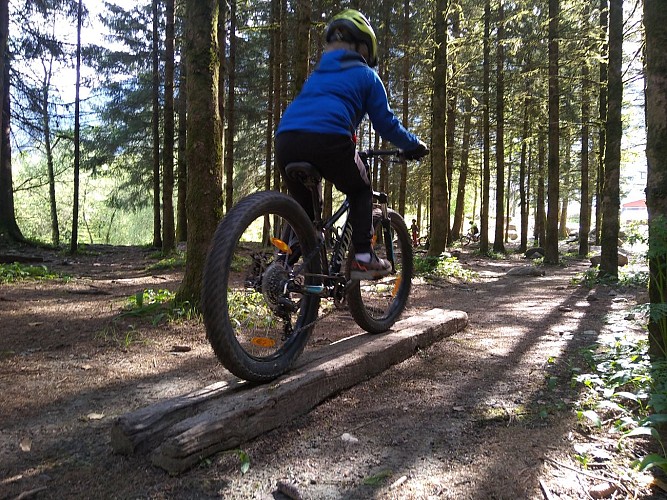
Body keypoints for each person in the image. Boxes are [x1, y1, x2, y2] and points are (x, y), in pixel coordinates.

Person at [275, 9, 428, 280]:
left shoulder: (318, 76)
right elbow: (386, 123)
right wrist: (413, 144)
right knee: (360, 189)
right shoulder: (367, 76)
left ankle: (284, 265)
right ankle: (362, 258)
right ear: (363, 48)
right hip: (330, 139)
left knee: (306, 219)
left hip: (286, 139)